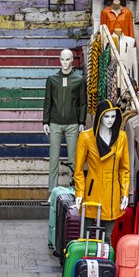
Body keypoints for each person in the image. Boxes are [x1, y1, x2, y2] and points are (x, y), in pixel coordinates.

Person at [73, 100, 130, 243]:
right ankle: (85, 263)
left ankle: (104, 263)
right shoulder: (86, 137)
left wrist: (124, 192)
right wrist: (79, 192)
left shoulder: (121, 137)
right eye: (106, 116)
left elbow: (125, 169)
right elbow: (78, 170)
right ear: (99, 117)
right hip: (93, 190)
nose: (110, 120)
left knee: (107, 236)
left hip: (113, 191)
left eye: (113, 116)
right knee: (85, 235)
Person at [43, 49, 86, 192]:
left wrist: (82, 122)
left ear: (72, 60)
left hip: (72, 124)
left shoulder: (79, 80)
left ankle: (74, 190)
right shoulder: (52, 79)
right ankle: (52, 191)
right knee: (53, 159)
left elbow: (82, 103)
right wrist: (45, 122)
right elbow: (48, 101)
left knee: (73, 159)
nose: (65, 62)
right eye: (62, 59)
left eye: (68, 59)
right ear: (59, 60)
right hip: (55, 123)